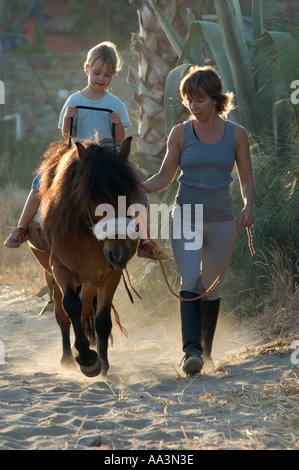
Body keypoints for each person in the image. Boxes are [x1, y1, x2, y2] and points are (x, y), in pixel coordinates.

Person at [4, 41, 168, 260]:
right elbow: (67, 134)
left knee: (136, 191)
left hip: (107, 160)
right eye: (97, 73)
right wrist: (69, 118)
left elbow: (120, 140)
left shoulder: (115, 104)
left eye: (108, 75)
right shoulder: (75, 100)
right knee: (40, 181)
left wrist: (118, 123)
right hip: (78, 157)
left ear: (113, 76)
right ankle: (22, 227)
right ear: (87, 69)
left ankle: (145, 241)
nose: (101, 79)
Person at [142, 65, 255, 376]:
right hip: (186, 217)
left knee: (212, 288)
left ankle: (206, 351)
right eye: (189, 100)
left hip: (222, 220)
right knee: (191, 280)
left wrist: (249, 206)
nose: (193, 106)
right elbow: (165, 177)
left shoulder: (237, 135)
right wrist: (135, 187)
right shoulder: (180, 133)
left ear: (216, 99)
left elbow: (246, 178)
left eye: (200, 100)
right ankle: (191, 353)